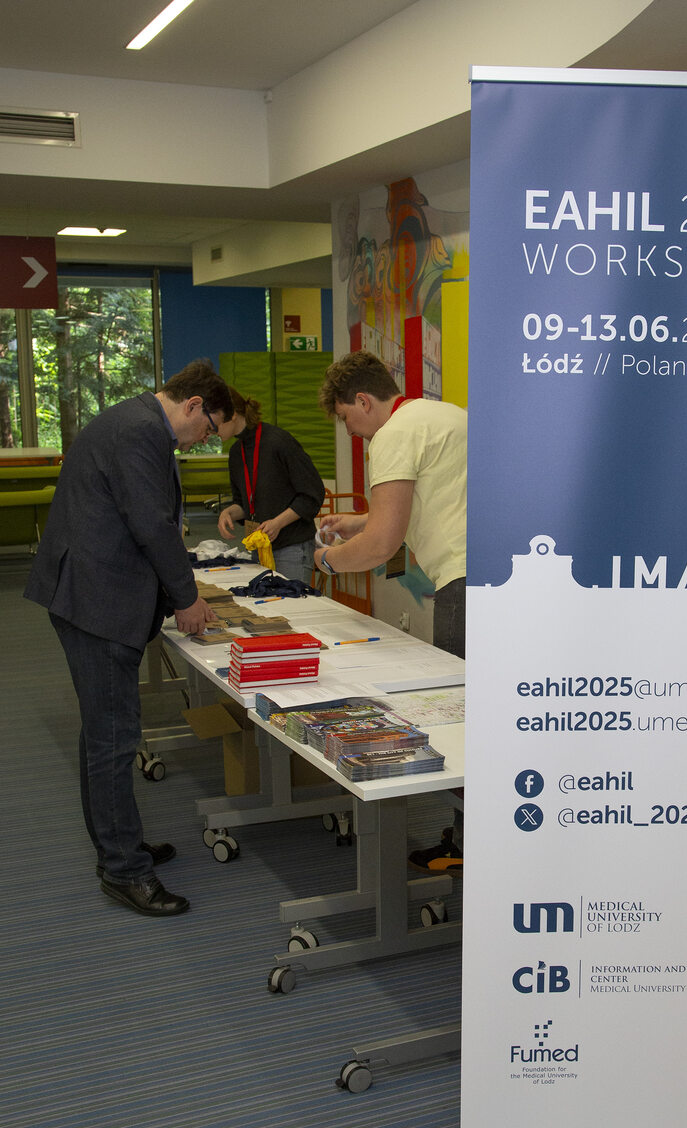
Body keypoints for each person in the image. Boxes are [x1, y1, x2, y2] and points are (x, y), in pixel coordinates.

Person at [24, 360, 234, 917]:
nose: (204, 439)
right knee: (113, 739)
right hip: (96, 602)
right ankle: (123, 870)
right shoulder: (141, 431)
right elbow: (151, 524)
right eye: (209, 428)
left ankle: (118, 844)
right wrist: (186, 598)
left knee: (104, 733)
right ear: (193, 405)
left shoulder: (135, 422)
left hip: (90, 592)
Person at [315, 349, 466, 873]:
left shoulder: (393, 434)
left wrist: (328, 561)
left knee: (460, 720)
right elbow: (427, 501)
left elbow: (382, 545)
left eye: (346, 418)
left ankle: (469, 848)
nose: (351, 432)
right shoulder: (443, 414)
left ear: (363, 400)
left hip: (465, 582)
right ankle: (478, 837)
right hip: (506, 577)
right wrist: (360, 520)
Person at [216, 387, 325, 584]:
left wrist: (278, 523)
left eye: (214, 424)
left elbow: (312, 494)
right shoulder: (236, 452)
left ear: (232, 415)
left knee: (292, 602)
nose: (211, 431)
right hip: (260, 546)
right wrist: (229, 513)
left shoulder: (279, 441)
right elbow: (245, 504)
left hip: (292, 546)